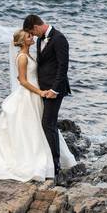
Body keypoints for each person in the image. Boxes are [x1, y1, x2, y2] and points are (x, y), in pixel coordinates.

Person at [0, 29, 76, 182]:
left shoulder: (29, 55)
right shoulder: (22, 57)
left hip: (35, 94)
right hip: (29, 94)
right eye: (29, 36)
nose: (32, 37)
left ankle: (51, 159)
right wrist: (39, 92)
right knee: (29, 127)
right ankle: (32, 159)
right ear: (22, 41)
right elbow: (22, 80)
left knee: (42, 125)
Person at [23, 14, 72, 177]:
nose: (34, 35)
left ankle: (55, 164)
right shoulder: (39, 40)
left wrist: (55, 90)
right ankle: (48, 159)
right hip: (42, 90)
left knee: (48, 124)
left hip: (54, 90)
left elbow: (62, 67)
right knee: (47, 123)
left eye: (33, 32)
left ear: (36, 27)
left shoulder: (59, 39)